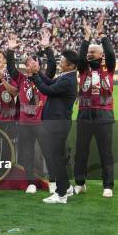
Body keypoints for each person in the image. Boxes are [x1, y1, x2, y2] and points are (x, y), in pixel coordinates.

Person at [7, 32, 56, 194]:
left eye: (32, 62)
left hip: (40, 123)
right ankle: (31, 183)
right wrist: (10, 51)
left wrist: (47, 48)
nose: (28, 65)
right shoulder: (21, 79)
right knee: (26, 154)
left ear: (38, 65)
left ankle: (53, 182)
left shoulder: (43, 78)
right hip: (24, 124)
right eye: (27, 63)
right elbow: (10, 68)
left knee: (47, 153)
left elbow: (53, 67)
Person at [28, 49, 79, 204]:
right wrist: (38, 72)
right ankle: (67, 187)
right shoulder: (66, 77)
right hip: (58, 123)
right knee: (58, 157)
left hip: (57, 124)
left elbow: (47, 89)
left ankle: (61, 194)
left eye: (62, 61)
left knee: (56, 158)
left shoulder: (68, 80)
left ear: (70, 65)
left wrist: (35, 75)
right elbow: (50, 83)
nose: (60, 62)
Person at [74, 16, 115, 198]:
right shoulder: (83, 68)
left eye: (93, 52)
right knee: (81, 150)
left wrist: (102, 35)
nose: (89, 54)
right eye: (88, 51)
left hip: (104, 113)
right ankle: (80, 183)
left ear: (101, 55)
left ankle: (108, 186)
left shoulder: (110, 66)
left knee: (105, 151)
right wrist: (87, 38)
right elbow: (81, 56)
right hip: (84, 113)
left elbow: (111, 54)